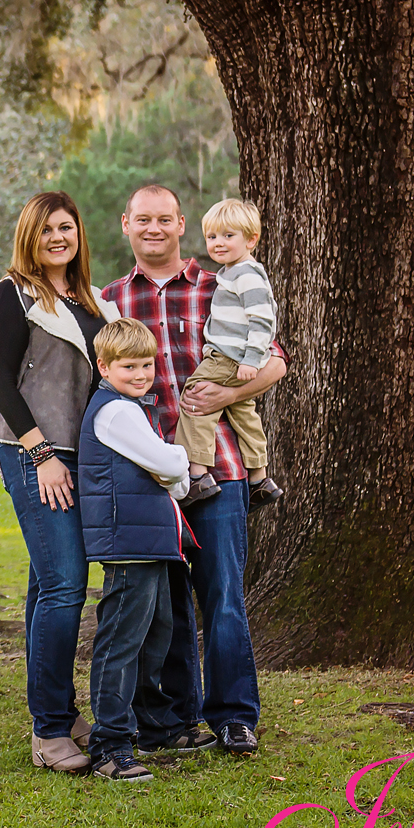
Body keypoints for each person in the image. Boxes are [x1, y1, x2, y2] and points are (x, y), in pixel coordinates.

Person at [102, 184, 287, 756]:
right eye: (143, 219)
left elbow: (275, 360)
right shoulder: (107, 302)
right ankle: (173, 718)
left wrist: (219, 394)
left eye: (165, 219)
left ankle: (234, 716)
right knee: (164, 603)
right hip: (143, 476)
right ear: (126, 224)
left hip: (219, 467)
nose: (153, 228)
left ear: (182, 224)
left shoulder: (222, 282)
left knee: (223, 595)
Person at [0, 191, 118, 774]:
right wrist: (42, 455)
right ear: (29, 238)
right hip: (35, 453)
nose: (58, 238)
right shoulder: (13, 293)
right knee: (66, 585)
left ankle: (59, 707)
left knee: (48, 585)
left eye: (67, 227)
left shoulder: (92, 301)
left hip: (84, 458)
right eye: (46, 230)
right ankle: (49, 732)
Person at [76, 318, 194, 781]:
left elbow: (167, 473)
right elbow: (167, 462)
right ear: (104, 366)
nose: (142, 374)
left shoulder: (130, 406)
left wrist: (173, 472)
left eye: (147, 364)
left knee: (156, 632)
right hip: (128, 542)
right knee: (122, 641)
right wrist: (179, 464)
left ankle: (154, 725)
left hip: (150, 539)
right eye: (129, 367)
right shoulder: (116, 412)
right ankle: (110, 744)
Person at [173, 198, 283, 508]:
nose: (218, 243)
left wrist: (251, 360)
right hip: (234, 356)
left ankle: (197, 476)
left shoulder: (246, 274)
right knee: (243, 412)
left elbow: (263, 319)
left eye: (228, 236)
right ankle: (260, 477)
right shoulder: (235, 271)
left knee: (195, 400)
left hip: (228, 357)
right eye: (212, 237)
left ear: (251, 240)